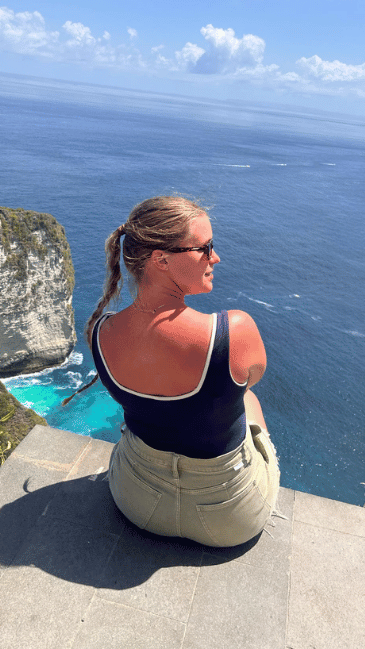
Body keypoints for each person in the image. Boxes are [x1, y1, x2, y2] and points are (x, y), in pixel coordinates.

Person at [84, 195, 280, 547]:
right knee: (246, 395)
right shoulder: (232, 331)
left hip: (137, 503)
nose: (215, 257)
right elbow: (253, 378)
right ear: (160, 259)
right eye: (204, 248)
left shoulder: (102, 331)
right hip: (230, 519)